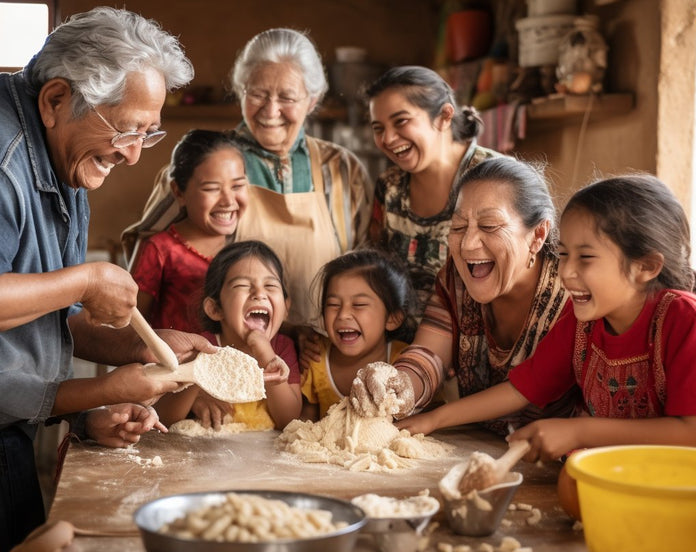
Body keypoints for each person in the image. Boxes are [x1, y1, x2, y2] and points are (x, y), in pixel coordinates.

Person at [0, 6, 215, 552]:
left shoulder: (67, 154)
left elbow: (44, 310)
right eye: (125, 130)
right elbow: (65, 292)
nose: (131, 155)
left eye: (147, 135)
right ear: (56, 99)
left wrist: (135, 341)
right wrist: (89, 282)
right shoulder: (5, 160)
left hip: (10, 433)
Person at [395, 175, 696, 454]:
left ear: (645, 266)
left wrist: (579, 432)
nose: (567, 272)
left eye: (586, 258)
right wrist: (434, 420)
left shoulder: (684, 319)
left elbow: (693, 432)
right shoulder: (583, 322)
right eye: (564, 255)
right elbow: (521, 389)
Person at [349, 157, 576, 436]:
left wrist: (437, 418)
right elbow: (429, 354)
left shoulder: (575, 295)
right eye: (457, 227)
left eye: (490, 225)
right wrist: (400, 385)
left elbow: (531, 386)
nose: (468, 244)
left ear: (538, 234)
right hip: (485, 445)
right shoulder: (454, 280)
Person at [228, 28, 373, 329]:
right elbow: (157, 260)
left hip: (324, 356)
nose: (271, 110)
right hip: (229, 356)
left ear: (312, 100)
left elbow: (369, 274)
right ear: (241, 90)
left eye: (287, 97)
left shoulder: (343, 169)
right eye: (257, 93)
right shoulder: (205, 165)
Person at [366, 65, 501, 317]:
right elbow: (375, 273)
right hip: (399, 348)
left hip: (477, 347)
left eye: (401, 121)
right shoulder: (389, 187)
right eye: (378, 128)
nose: (388, 138)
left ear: (444, 116)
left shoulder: (495, 178)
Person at [156, 241, 302, 431]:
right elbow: (165, 418)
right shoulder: (203, 348)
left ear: (286, 308)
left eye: (270, 285)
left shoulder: (283, 348)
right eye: (242, 285)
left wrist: (267, 355)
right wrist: (195, 389)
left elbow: (288, 420)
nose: (259, 293)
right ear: (216, 309)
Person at [129, 130, 249, 342]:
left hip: (227, 370)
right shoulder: (160, 249)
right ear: (179, 192)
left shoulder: (244, 252)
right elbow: (131, 325)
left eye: (238, 186)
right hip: (172, 370)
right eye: (212, 188)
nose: (228, 201)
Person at [301, 249, 418, 421]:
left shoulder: (404, 362)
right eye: (333, 304)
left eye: (359, 304)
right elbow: (304, 426)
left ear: (393, 318)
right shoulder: (315, 358)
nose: (343, 315)